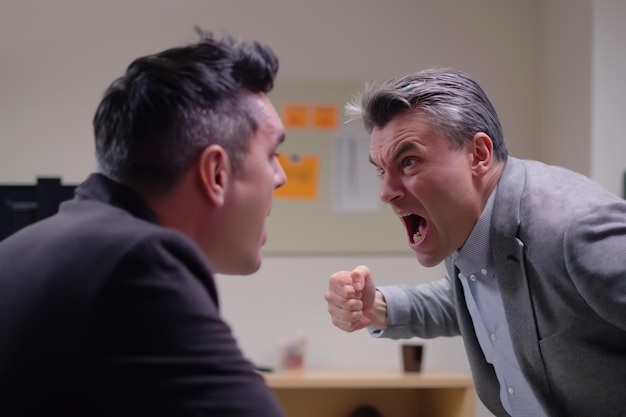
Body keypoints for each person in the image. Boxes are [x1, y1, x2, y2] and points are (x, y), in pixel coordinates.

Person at [0, 28, 287, 417]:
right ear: (216, 174)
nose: (281, 177)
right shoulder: (138, 263)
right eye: (272, 155)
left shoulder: (25, 248)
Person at [324, 67, 626, 417]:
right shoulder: (464, 220)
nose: (386, 192)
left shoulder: (575, 227)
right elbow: (484, 300)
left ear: (479, 155)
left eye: (409, 162)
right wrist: (376, 308)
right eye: (381, 169)